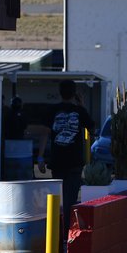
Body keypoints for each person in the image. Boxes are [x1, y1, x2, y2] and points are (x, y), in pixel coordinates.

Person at [36, 80, 96, 230]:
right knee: (71, 199)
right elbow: (92, 127)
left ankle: (57, 230)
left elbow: (44, 134)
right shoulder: (80, 111)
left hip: (58, 161)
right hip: (75, 162)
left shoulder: (52, 110)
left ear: (60, 92)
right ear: (74, 93)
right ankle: (68, 231)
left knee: (58, 199)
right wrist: (81, 105)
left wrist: (40, 157)